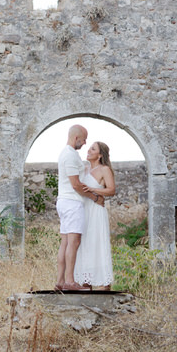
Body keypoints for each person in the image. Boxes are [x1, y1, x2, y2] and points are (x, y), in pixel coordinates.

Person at [55, 124, 106, 291]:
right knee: (74, 242)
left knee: (65, 243)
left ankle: (61, 281)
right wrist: (94, 197)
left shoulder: (69, 154)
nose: (84, 144)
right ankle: (70, 281)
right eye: (83, 140)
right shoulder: (69, 155)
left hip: (65, 201)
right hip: (72, 203)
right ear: (76, 138)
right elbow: (76, 184)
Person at [74, 142, 115, 290]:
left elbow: (111, 190)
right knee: (84, 244)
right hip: (83, 210)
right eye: (89, 148)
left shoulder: (105, 170)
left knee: (97, 243)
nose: (88, 150)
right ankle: (86, 282)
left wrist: (93, 190)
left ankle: (105, 285)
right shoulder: (84, 169)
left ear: (100, 155)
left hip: (96, 211)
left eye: (93, 149)